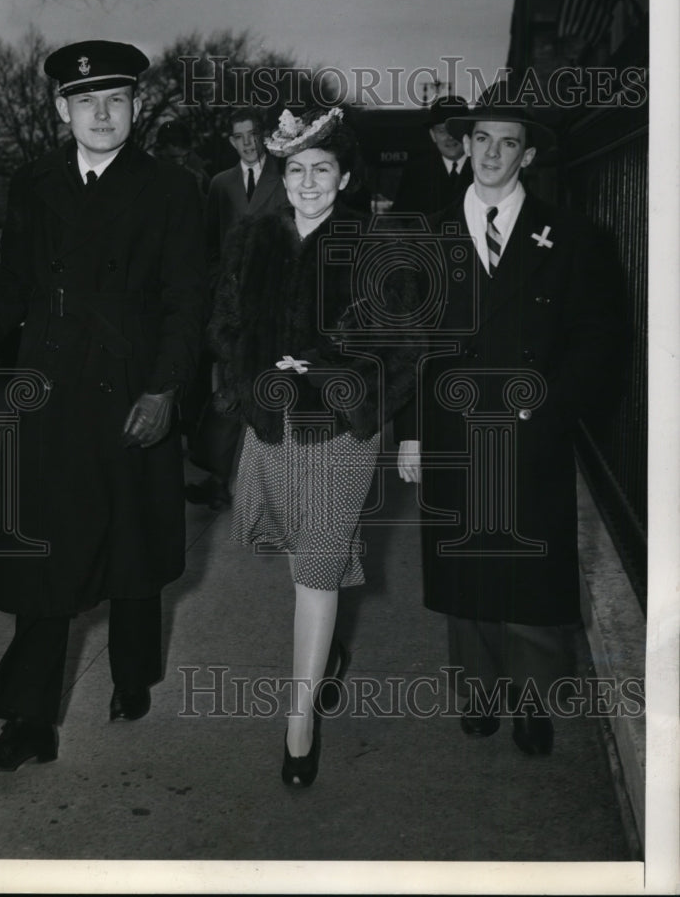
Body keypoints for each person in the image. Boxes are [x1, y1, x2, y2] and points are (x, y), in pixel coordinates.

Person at [0, 40, 207, 771]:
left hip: (131, 389)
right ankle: (28, 723)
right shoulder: (33, 184)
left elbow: (189, 302)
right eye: (86, 101)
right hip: (50, 392)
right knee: (45, 554)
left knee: (131, 546)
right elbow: (16, 282)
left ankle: (132, 672)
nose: (102, 113)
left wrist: (165, 389)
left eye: (115, 100)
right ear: (62, 110)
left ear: (136, 107)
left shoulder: (173, 189)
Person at [393, 85, 624, 755]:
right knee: (466, 560)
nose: (493, 154)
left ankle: (534, 697)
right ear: (464, 146)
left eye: (509, 142)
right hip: (449, 425)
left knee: (531, 559)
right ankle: (477, 688)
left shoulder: (574, 237)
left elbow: (597, 339)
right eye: (483, 140)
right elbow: (408, 340)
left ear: (528, 154)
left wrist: (550, 407)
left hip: (529, 426)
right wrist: (409, 431)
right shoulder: (428, 234)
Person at [209, 106, 420, 786]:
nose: (306, 182)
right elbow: (228, 329)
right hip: (272, 425)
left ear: (346, 176)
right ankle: (323, 659)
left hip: (340, 429)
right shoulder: (251, 241)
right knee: (302, 553)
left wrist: (330, 374)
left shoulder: (374, 244)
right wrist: (253, 380)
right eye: (295, 170)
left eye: (321, 169)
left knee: (316, 569)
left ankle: (299, 727)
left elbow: (402, 346)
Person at [185, 106, 288, 509]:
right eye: (238, 137)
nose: (247, 143)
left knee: (270, 389)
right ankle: (220, 478)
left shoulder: (286, 176)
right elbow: (209, 246)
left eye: (252, 134)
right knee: (229, 391)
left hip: (273, 301)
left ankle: (270, 487)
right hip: (232, 308)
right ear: (229, 141)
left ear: (263, 136)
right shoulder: (219, 184)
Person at [391, 95, 473, 216]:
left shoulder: (483, 168)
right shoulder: (416, 173)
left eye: (455, 129)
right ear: (433, 135)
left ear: (467, 132)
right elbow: (400, 220)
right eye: (442, 131)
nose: (449, 137)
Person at [154, 118, 211, 200]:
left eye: (185, 156)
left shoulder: (199, 175)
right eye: (173, 157)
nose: (181, 162)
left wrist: (198, 192)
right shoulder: (148, 178)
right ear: (158, 152)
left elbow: (214, 209)